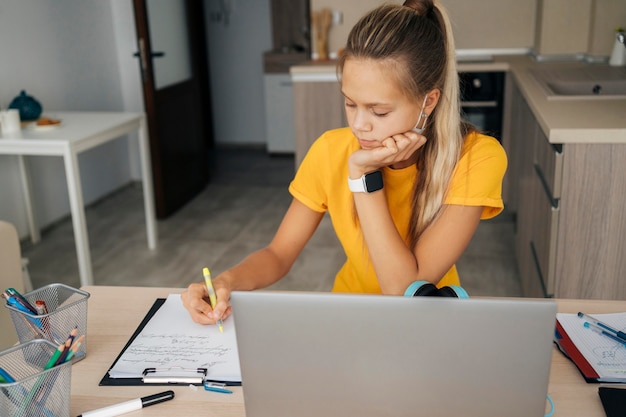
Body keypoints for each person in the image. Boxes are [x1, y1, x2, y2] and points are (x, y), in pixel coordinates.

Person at [182, 0, 507, 325]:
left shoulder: (475, 158)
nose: (359, 125)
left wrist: (364, 178)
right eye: (350, 103)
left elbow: (405, 290)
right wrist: (225, 283)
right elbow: (279, 254)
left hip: (428, 322)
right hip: (348, 315)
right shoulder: (329, 150)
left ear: (429, 101)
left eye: (379, 112)